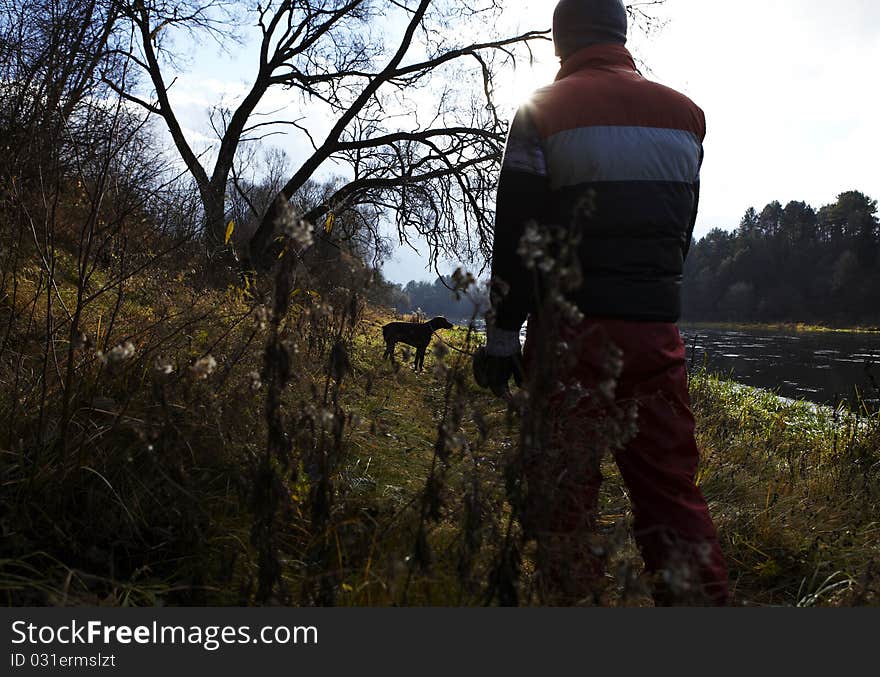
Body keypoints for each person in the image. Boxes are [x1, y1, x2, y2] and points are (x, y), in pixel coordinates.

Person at [474, 0, 729, 605]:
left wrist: (503, 335)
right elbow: (680, 227)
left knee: (563, 499)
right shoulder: (686, 116)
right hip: (656, 333)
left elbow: (516, 233)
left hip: (571, 336)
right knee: (672, 497)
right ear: (621, 35)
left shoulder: (541, 111)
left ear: (560, 42)